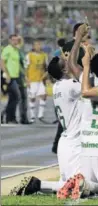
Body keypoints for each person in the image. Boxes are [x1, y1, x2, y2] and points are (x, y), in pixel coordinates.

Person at [9, 55, 82, 197]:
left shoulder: (56, 87)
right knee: (79, 185)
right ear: (65, 69)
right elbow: (88, 86)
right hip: (74, 142)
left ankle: (38, 185)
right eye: (65, 62)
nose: (69, 61)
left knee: (67, 183)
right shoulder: (71, 85)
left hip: (65, 141)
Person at [61, 24, 98, 200]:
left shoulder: (86, 80)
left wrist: (78, 39)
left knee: (90, 193)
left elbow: (70, 63)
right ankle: (89, 186)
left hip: (86, 145)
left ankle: (85, 185)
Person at [1, 34, 29, 124]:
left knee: (13, 98)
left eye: (17, 40)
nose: (15, 41)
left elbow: (22, 42)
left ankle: (6, 116)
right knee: (17, 96)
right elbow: (1, 62)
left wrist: (20, 38)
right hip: (10, 77)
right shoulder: (7, 49)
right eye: (13, 40)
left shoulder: (16, 50)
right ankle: (10, 118)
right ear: (10, 40)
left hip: (17, 77)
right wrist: (7, 74)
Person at [26, 40, 48, 123]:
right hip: (32, 80)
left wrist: (46, 76)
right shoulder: (29, 55)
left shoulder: (44, 55)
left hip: (41, 79)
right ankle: (32, 116)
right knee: (32, 98)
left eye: (40, 44)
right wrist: (27, 79)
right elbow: (26, 68)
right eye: (37, 45)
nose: (39, 46)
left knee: (43, 96)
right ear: (33, 46)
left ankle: (40, 115)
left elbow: (46, 67)